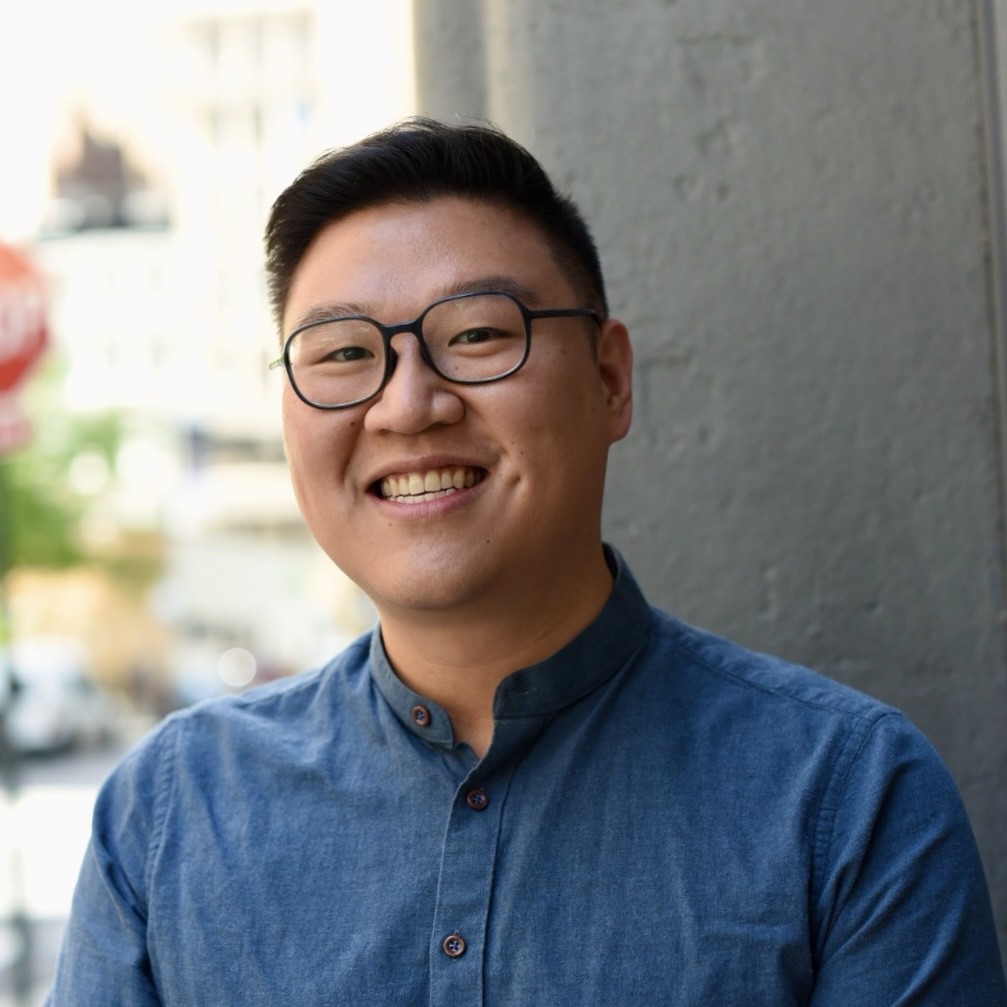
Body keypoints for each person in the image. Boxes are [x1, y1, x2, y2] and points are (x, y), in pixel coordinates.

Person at [47, 118, 1006, 1005]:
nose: (406, 405)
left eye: (474, 335)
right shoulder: (171, 811)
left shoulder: (846, 798)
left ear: (608, 380)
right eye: (342, 353)